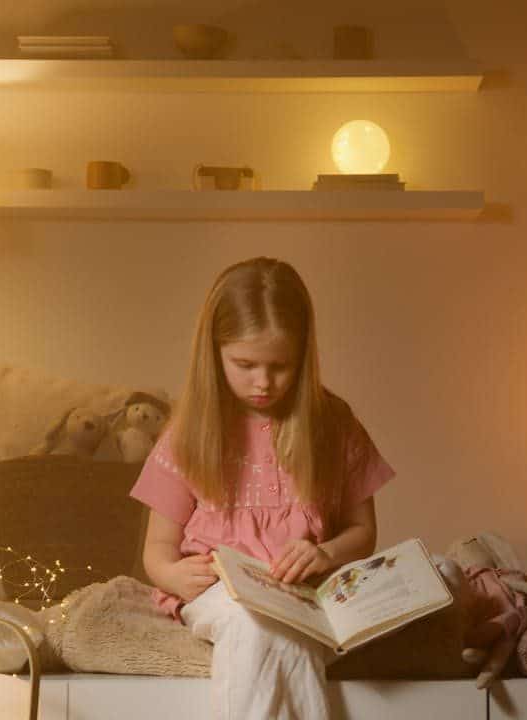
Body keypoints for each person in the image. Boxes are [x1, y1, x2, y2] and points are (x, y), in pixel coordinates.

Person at [129, 256, 395, 719]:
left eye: (280, 366)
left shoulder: (333, 424)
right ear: (214, 353)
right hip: (223, 593)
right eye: (245, 364)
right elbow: (157, 548)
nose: (263, 382)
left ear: (304, 354)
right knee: (256, 626)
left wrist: (327, 554)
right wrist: (172, 576)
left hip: (307, 593)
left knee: (293, 631)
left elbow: (362, 531)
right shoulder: (192, 431)